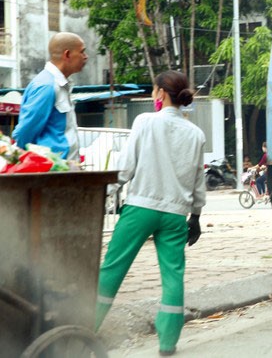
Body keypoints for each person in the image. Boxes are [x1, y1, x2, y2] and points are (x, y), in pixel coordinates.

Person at [95, 71, 206, 356]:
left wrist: (102, 194)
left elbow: (125, 168)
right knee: (173, 276)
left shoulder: (145, 122)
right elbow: (197, 180)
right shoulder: (196, 133)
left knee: (112, 268)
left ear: (159, 93)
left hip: (141, 207)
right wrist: (195, 216)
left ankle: (85, 328)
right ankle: (168, 342)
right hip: (175, 214)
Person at [12, 32, 88, 161]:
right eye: (82, 52)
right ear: (67, 54)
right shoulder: (46, 86)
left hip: (65, 169)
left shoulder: (59, 84)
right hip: (52, 172)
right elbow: (24, 133)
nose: (85, 57)